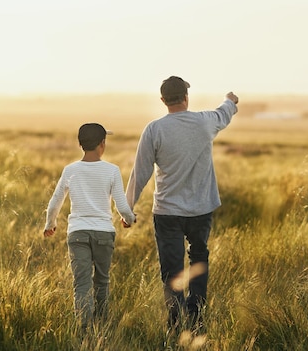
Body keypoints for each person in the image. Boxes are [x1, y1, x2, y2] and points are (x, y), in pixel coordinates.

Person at [125, 76, 239, 333]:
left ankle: (175, 325)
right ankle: (197, 318)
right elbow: (225, 112)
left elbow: (140, 172)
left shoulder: (154, 129)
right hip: (201, 209)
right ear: (186, 97)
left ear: (163, 100)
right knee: (199, 257)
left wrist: (127, 208)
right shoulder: (204, 123)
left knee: (172, 269)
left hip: (167, 212)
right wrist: (230, 100)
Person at [44, 123, 136, 332]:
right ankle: (102, 325)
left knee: (82, 283)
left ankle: (84, 329)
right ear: (102, 144)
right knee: (102, 281)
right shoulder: (112, 170)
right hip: (104, 233)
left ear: (80, 144)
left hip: (77, 233)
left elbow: (55, 201)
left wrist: (50, 224)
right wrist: (129, 219)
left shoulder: (70, 170)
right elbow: (121, 205)